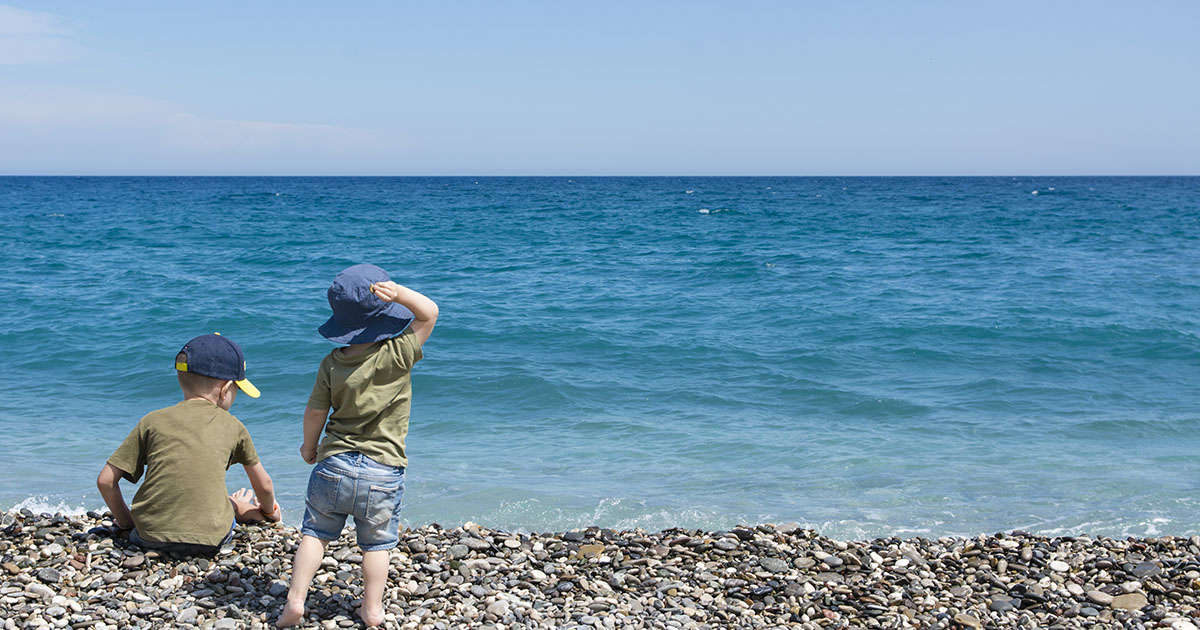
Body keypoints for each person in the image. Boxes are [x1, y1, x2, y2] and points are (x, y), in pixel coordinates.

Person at [278, 264, 438, 629]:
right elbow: (430, 313)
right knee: (376, 544)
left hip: (334, 464)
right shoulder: (398, 353)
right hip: (383, 469)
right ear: (385, 316)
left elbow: (315, 411)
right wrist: (400, 293)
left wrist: (308, 447)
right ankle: (372, 610)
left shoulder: (331, 364)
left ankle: (296, 600)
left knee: (315, 534)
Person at [96, 333, 281, 556]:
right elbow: (265, 485)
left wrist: (127, 523)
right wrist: (270, 511)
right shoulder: (234, 426)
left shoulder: (152, 421)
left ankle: (234, 505)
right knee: (230, 505)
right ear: (225, 389)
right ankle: (244, 508)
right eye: (237, 390)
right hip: (211, 540)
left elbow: (105, 481)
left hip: (148, 537)